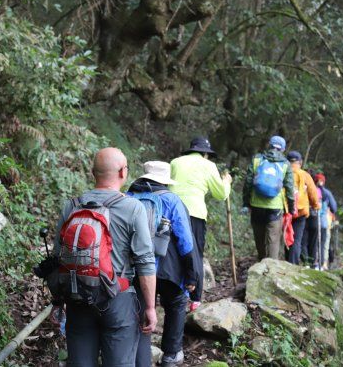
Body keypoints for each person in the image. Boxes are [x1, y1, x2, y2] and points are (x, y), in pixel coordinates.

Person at [51, 148, 157, 367]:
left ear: (93, 173)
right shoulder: (133, 208)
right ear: (122, 172)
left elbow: (57, 258)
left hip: (78, 298)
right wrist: (150, 307)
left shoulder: (72, 206)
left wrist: (57, 301)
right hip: (118, 300)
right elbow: (145, 261)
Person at [128, 161, 198, 367]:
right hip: (167, 268)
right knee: (176, 303)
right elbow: (185, 240)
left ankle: (137, 355)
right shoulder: (171, 200)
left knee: (139, 310)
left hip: (135, 266)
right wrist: (191, 273)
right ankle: (171, 354)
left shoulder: (128, 197)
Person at [170, 137, 232, 311]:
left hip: (173, 211)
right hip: (195, 213)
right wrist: (226, 182)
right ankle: (195, 299)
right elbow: (220, 194)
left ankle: (175, 290)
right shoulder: (209, 166)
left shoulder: (175, 162)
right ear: (205, 153)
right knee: (195, 251)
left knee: (173, 250)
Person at [242, 135, 295, 260]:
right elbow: (289, 188)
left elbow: (248, 183)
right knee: (273, 239)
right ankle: (272, 268)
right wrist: (291, 208)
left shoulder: (257, 159)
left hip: (256, 205)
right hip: (275, 207)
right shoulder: (285, 164)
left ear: (269, 145)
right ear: (282, 149)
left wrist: (246, 203)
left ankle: (261, 260)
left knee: (259, 238)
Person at [286, 151, 321, 266]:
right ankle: (293, 264)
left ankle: (286, 263)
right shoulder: (305, 175)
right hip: (300, 212)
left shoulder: (283, 172)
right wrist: (316, 205)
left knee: (287, 236)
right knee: (296, 239)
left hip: (285, 211)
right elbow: (313, 193)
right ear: (300, 162)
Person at [314, 173, 338, 270]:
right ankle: (323, 264)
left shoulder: (311, 190)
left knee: (314, 242)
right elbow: (334, 207)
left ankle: (314, 262)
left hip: (312, 220)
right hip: (324, 222)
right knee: (324, 243)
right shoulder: (327, 193)